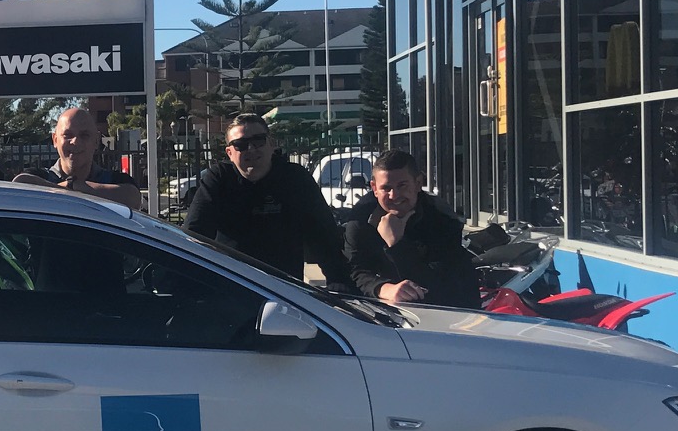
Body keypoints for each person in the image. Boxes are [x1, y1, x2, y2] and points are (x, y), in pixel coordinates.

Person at [182, 113, 354, 287]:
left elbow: (322, 233)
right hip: (231, 285)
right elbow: (195, 233)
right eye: (241, 144)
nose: (251, 149)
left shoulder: (294, 178)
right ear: (229, 153)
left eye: (258, 141)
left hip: (284, 288)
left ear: (271, 144)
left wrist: (337, 278)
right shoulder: (219, 179)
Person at [343, 148, 480, 307]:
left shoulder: (441, 219)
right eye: (386, 188)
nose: (394, 195)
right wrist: (384, 289)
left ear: (418, 183)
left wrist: (397, 244)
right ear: (374, 188)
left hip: (440, 312)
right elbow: (354, 270)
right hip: (378, 312)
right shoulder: (360, 219)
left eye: (402, 185)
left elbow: (440, 284)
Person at [10, 105, 141, 210]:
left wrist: (75, 187)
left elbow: (133, 198)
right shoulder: (38, 176)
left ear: (96, 141)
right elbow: (18, 185)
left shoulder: (116, 180)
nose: (75, 142)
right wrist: (72, 187)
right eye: (67, 135)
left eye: (84, 135)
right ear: (55, 140)